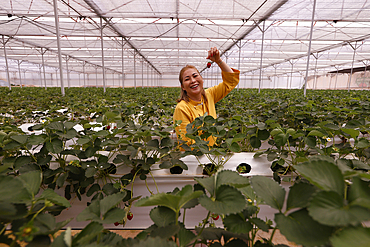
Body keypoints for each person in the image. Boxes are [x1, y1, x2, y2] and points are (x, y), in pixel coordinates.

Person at [173, 47, 240, 146]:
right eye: (187, 79)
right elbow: (186, 142)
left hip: (213, 152)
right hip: (196, 158)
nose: (193, 81)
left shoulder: (210, 95)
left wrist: (218, 60)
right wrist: (207, 152)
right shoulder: (182, 108)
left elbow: (231, 81)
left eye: (195, 76)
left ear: (201, 79)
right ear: (183, 87)